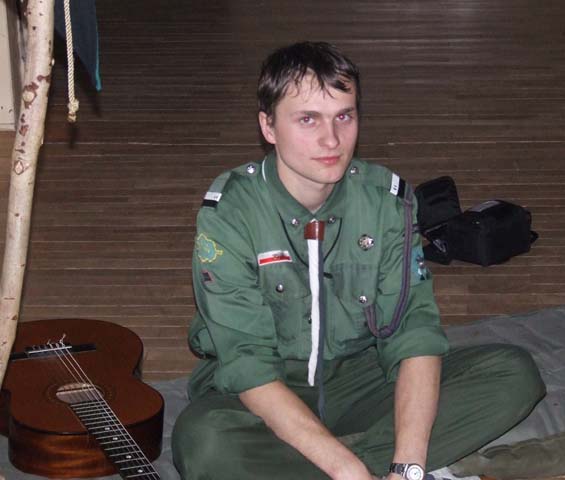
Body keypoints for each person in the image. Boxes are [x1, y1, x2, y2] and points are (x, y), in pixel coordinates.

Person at [172, 41, 545, 480]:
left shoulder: (385, 202)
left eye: (344, 117)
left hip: (360, 377)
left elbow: (413, 333)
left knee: (514, 374)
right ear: (268, 126)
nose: (331, 139)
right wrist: (347, 468)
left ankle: (325, 462)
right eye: (308, 119)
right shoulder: (231, 213)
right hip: (270, 386)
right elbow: (247, 365)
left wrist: (407, 465)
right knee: (204, 442)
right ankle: (350, 458)